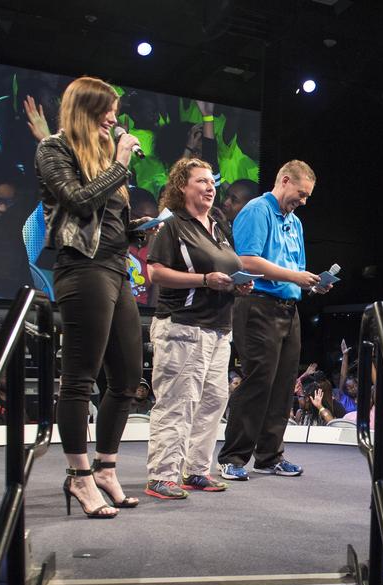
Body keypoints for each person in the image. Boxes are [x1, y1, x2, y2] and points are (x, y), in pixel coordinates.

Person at [36, 75, 149, 518]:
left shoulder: (103, 155)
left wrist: (139, 227)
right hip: (82, 267)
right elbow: (78, 202)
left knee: (126, 380)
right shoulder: (54, 149)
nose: (115, 120)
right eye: (108, 112)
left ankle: (105, 468)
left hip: (117, 268)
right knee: (81, 378)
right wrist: (120, 164)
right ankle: (80, 478)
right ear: (85, 110)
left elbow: (108, 216)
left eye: (116, 113)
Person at [143, 157, 247, 500]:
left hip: (219, 329)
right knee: (178, 402)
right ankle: (162, 475)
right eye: (201, 181)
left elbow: (229, 268)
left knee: (213, 400)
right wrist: (204, 279)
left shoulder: (218, 223)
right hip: (183, 328)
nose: (210, 187)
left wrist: (238, 284)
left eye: (211, 182)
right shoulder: (173, 224)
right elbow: (155, 273)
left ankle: (196, 470)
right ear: (182, 187)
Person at [217, 160, 324, 481]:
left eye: (307, 197)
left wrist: (315, 282)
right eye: (301, 194)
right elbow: (247, 261)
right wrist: (295, 275)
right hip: (258, 304)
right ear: (286, 180)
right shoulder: (256, 210)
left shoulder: (295, 223)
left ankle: (269, 456)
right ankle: (233, 456)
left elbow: (295, 268)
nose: (303, 201)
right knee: (258, 380)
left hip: (288, 308)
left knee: (283, 385)